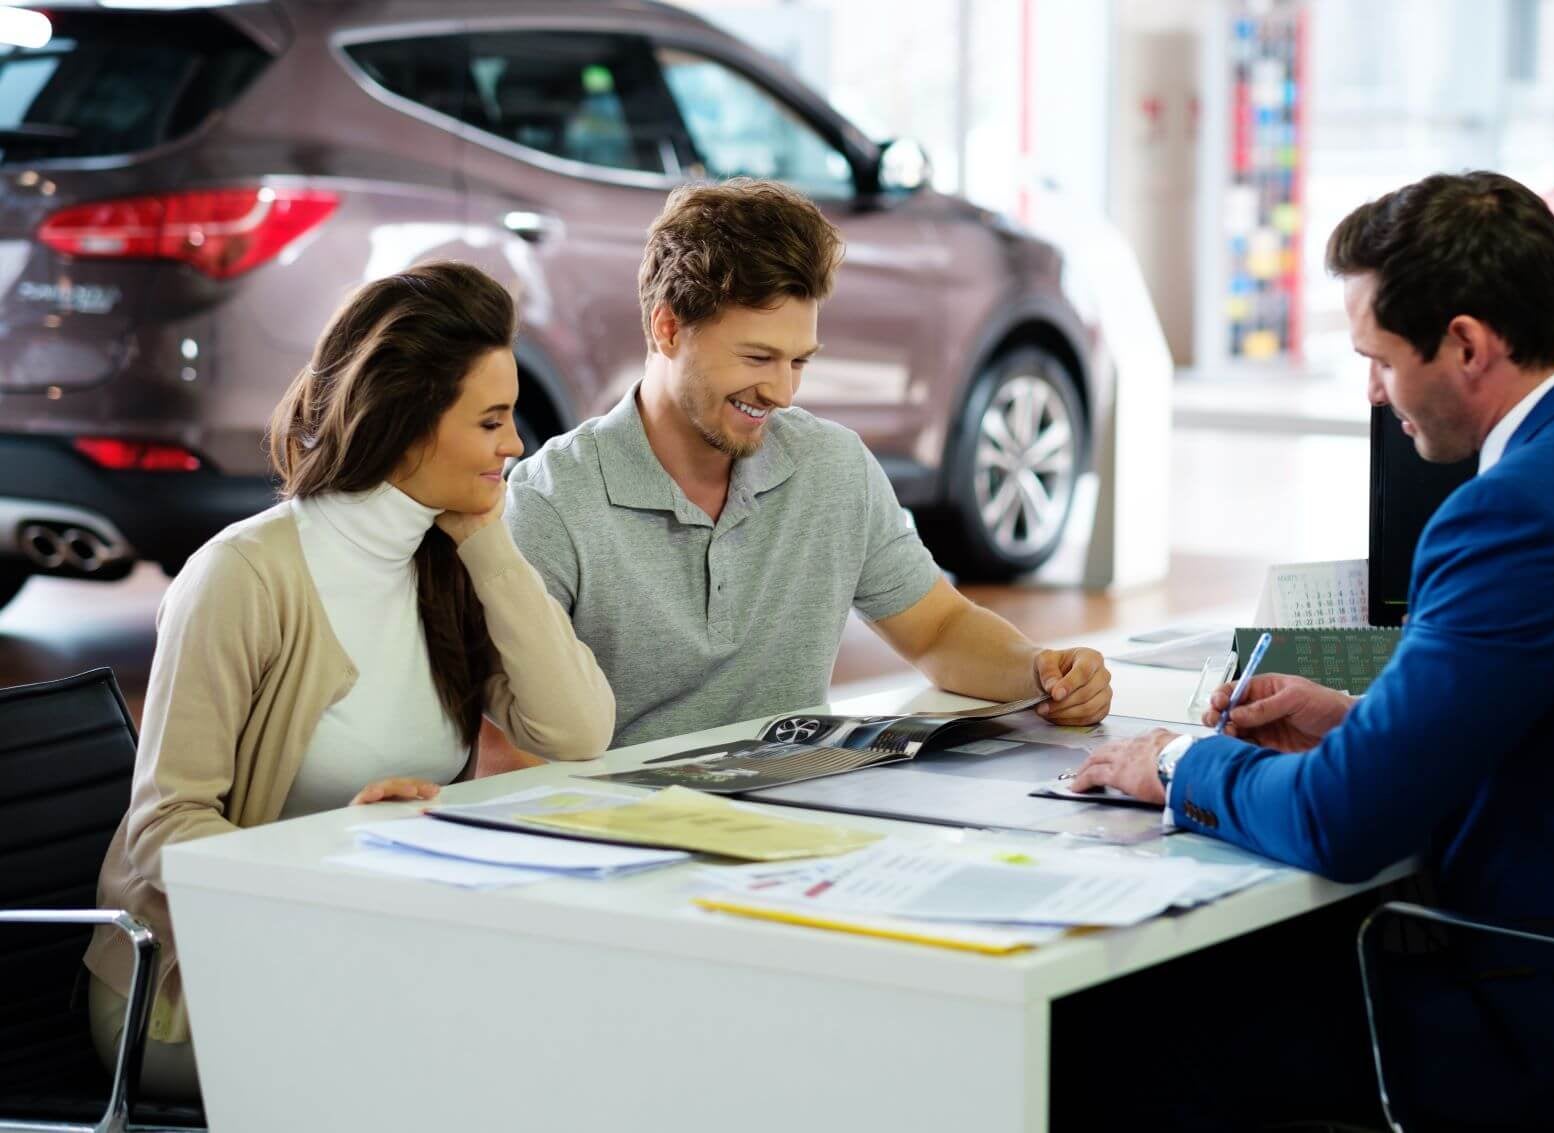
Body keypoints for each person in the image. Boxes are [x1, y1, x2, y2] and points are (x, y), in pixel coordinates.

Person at [1070, 172, 1554, 1127]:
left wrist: (1178, 760)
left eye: (1378, 357)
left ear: (1466, 345)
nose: (1371, 390)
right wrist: (1361, 722)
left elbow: (1342, 822)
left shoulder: (1514, 513)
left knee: (1114, 1030)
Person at [83, 262, 615, 1099]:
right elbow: (162, 827)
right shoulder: (242, 577)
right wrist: (337, 854)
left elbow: (578, 730)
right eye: (492, 421)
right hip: (189, 995)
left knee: (570, 1010)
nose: (516, 446)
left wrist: (490, 544)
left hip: (371, 948)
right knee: (490, 1045)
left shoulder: (448, 563)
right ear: (407, 427)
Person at [506, 179, 1111, 748]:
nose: (782, 392)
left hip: (800, 822)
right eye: (757, 357)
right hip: (618, 832)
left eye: (798, 362)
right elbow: (514, 740)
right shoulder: (553, 500)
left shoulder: (832, 466)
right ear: (668, 328)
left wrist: (1041, 673)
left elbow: (939, 629)